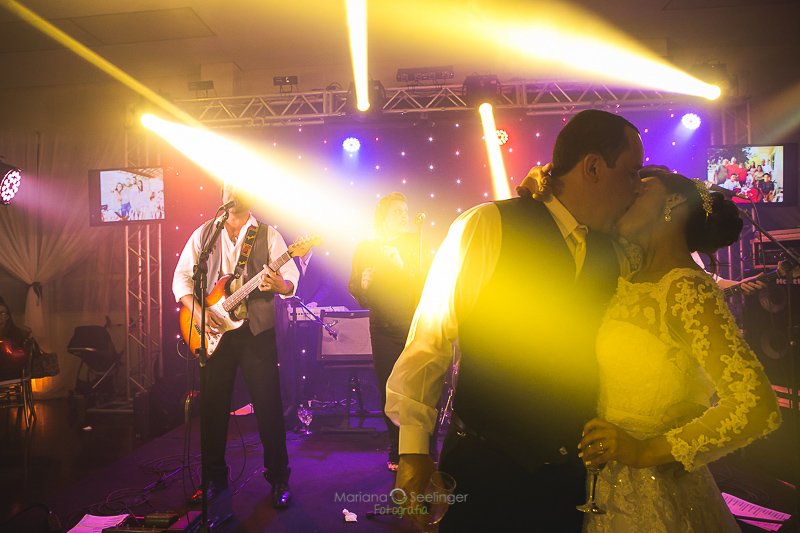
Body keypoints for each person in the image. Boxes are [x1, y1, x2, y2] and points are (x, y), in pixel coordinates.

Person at [386, 109, 645, 531]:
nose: (636, 188)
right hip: (485, 469)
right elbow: (430, 336)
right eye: (631, 173)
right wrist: (413, 450)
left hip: (572, 480)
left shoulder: (615, 252)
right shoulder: (488, 225)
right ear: (594, 167)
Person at [578, 169, 781, 531]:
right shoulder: (630, 276)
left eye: (642, 188)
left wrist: (647, 451)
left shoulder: (686, 288)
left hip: (657, 488)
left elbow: (754, 403)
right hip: (607, 482)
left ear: (673, 203)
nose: (630, 191)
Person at [172, 182, 300, 509]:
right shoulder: (204, 234)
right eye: (228, 186)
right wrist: (199, 313)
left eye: (240, 186)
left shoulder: (268, 235)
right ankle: (213, 478)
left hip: (256, 331)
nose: (233, 192)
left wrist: (280, 285)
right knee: (212, 408)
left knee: (268, 406)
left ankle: (279, 478)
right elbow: (181, 278)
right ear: (222, 195)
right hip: (213, 330)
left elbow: (289, 278)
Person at [349, 192, 433, 472]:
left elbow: (428, 282)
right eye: (397, 210)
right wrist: (362, 284)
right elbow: (354, 286)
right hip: (382, 327)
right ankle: (396, 447)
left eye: (406, 210)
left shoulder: (415, 242)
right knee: (389, 387)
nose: (404, 215)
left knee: (418, 389)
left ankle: (425, 448)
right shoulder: (366, 247)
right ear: (382, 216)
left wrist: (401, 265)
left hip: (414, 325)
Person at [0, 297, 31, 382]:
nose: (0, 315)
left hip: (9, 371)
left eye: (2, 313)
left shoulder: (13, 333)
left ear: (8, 317)